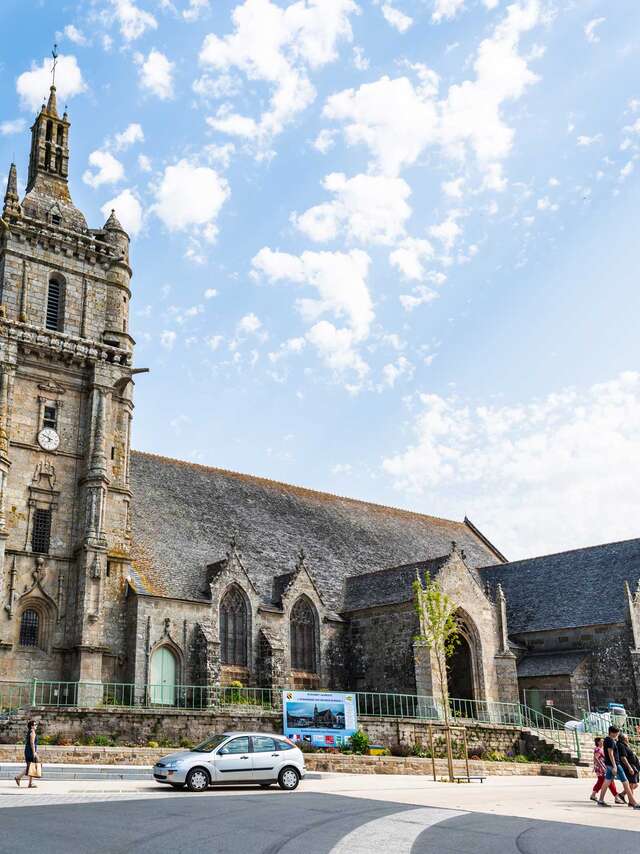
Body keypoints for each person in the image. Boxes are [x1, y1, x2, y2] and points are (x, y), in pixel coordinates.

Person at [597, 725, 640, 808]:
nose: (617, 734)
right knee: (626, 782)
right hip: (615, 764)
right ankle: (633, 802)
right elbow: (610, 754)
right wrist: (615, 766)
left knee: (607, 782)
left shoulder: (608, 740)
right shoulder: (610, 741)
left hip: (611, 764)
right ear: (612, 733)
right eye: (617, 732)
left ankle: (601, 800)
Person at [591, 737, 624, 803]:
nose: (603, 742)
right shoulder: (597, 749)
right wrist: (601, 767)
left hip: (604, 767)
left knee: (601, 782)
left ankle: (593, 794)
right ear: (598, 742)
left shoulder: (602, 749)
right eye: (601, 741)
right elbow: (596, 758)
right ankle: (616, 796)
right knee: (610, 782)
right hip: (601, 768)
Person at [14, 719, 39, 789]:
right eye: (35, 724)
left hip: (28, 750)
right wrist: (34, 752)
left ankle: (29, 783)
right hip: (30, 751)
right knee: (31, 766)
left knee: (31, 766)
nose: (36, 725)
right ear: (32, 726)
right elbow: (32, 743)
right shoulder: (32, 732)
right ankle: (18, 777)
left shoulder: (30, 732)